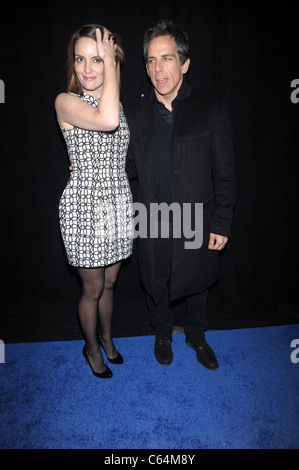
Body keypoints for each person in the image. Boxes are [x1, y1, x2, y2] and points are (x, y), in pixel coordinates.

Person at [125, 20, 236, 370]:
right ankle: (162, 332)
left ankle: (197, 335)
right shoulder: (137, 113)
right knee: (155, 282)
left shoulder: (211, 107)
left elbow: (226, 173)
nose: (158, 69)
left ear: (184, 63)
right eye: (151, 60)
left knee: (198, 283)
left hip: (196, 218)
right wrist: (90, 170)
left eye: (167, 58)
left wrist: (222, 222)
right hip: (151, 218)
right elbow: (126, 166)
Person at [55, 24, 133, 379]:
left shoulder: (115, 100)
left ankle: (107, 337)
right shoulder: (66, 101)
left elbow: (118, 145)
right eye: (80, 59)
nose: (87, 68)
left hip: (117, 205)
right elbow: (108, 120)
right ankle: (91, 348)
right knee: (94, 287)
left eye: (97, 59)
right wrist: (112, 63)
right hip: (84, 208)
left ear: (111, 62)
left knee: (112, 284)